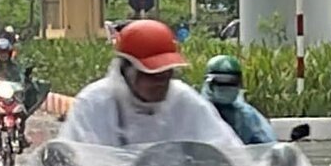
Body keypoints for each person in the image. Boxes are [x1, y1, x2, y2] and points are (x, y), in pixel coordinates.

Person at [61, 20, 245, 150]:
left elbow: (226, 149)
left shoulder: (184, 101)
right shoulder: (94, 103)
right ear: (127, 69)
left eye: (166, 75)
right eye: (152, 75)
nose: (161, 83)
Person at [200, 55, 275, 144]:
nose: (226, 87)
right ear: (208, 84)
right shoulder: (197, 110)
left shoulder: (246, 115)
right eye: (220, 83)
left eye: (232, 83)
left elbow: (267, 144)